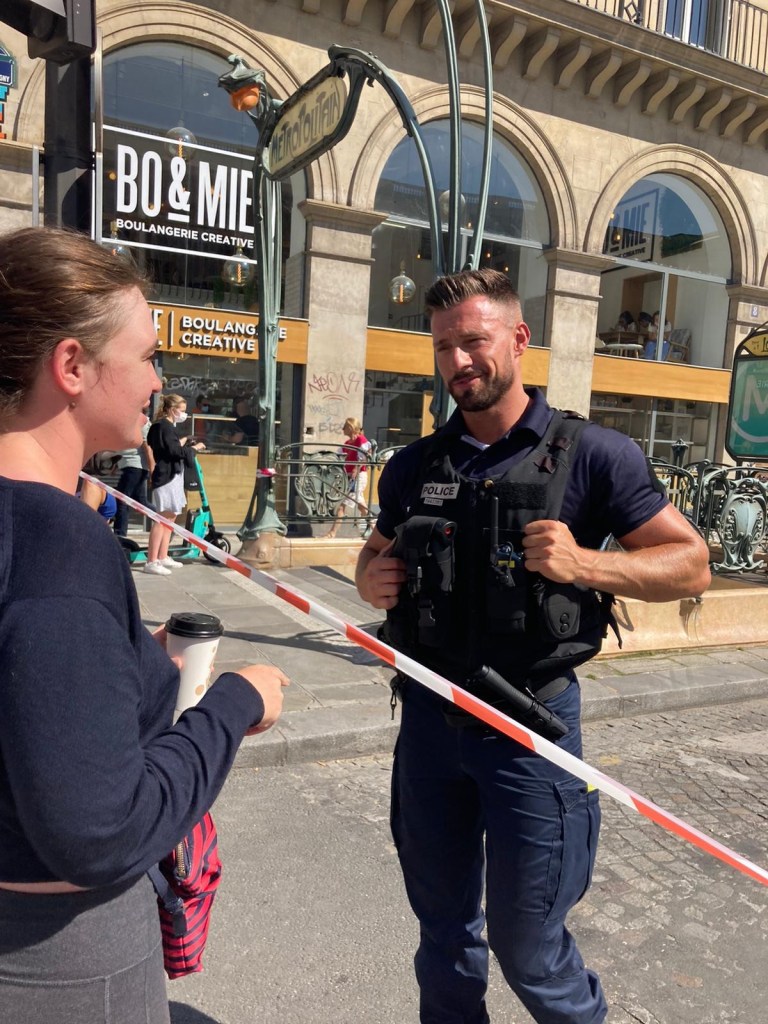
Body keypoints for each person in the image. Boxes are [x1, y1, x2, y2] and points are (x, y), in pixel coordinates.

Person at [355, 269, 711, 1024]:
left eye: (473, 340)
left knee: (531, 949)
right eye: (443, 346)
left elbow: (691, 564)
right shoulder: (415, 465)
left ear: (519, 338)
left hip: (531, 733)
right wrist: (369, 577)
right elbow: (373, 554)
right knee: (443, 934)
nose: (458, 361)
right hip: (429, 727)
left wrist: (588, 565)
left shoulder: (594, 454)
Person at [0, 226, 289, 1024]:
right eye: (149, 356)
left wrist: (130, 659)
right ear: (71, 366)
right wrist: (234, 705)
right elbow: (100, 831)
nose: (159, 381)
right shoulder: (61, 544)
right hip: (60, 958)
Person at [145, 393, 205, 575]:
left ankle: (162, 555)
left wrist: (183, 442)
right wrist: (193, 448)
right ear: (172, 410)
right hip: (167, 476)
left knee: (170, 517)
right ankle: (152, 560)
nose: (184, 414)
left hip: (171, 475)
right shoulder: (164, 426)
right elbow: (173, 451)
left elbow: (166, 447)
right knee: (163, 518)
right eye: (182, 410)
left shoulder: (162, 427)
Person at [325, 416, 373, 539]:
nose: (342, 429)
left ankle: (332, 533)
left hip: (358, 477)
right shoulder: (347, 444)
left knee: (342, 506)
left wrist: (357, 468)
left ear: (351, 428)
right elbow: (339, 458)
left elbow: (367, 455)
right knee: (361, 506)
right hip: (349, 477)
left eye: (345, 427)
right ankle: (375, 528)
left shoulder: (361, 440)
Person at [113, 421, 155, 538]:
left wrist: (152, 470)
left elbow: (148, 449)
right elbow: (125, 447)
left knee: (122, 500)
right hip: (131, 466)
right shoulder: (130, 421)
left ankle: (120, 536)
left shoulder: (143, 423)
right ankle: (164, 520)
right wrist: (116, 464)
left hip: (135, 467)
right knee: (141, 502)